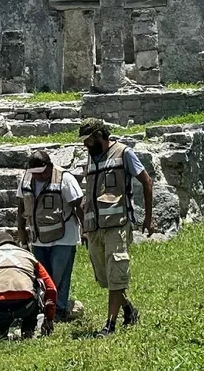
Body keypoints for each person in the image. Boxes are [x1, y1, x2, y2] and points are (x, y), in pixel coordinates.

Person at [77, 118, 152, 335]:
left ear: (99, 136)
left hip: (117, 224)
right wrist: (85, 227)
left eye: (88, 140)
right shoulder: (91, 158)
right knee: (105, 277)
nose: (85, 144)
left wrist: (148, 218)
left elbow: (146, 181)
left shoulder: (124, 153)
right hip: (94, 226)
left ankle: (109, 325)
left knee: (117, 272)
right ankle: (129, 309)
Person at [15, 148, 84, 322]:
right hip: (38, 238)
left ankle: (59, 309)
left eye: (42, 172)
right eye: (35, 173)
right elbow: (21, 207)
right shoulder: (26, 179)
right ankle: (44, 306)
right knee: (42, 276)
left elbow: (79, 205)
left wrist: (86, 230)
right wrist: (22, 232)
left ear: (50, 166)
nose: (39, 176)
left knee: (60, 276)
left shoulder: (64, 178)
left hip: (64, 237)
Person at [0, 231, 57, 340]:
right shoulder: (29, 256)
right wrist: (49, 317)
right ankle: (28, 330)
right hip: (25, 306)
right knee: (37, 288)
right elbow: (50, 287)